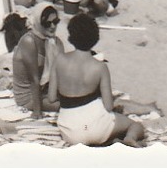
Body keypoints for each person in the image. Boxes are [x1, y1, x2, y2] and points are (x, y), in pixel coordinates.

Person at [47, 15, 148, 146]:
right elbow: (108, 106)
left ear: (70, 37)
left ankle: (109, 139)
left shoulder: (59, 60)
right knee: (135, 125)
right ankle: (129, 138)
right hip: (97, 128)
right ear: (95, 39)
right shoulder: (100, 67)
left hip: (69, 131)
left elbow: (51, 98)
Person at [13, 6, 62, 119]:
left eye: (55, 22)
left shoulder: (55, 42)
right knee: (68, 106)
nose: (52, 26)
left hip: (46, 91)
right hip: (29, 96)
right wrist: (37, 112)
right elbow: (34, 79)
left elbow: (61, 73)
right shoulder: (29, 41)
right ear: (38, 23)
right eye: (47, 23)